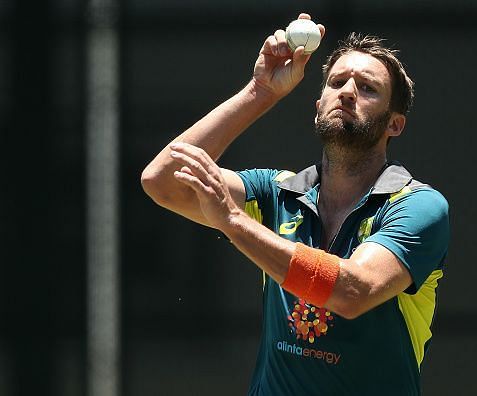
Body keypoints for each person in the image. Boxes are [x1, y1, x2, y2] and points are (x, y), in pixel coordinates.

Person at [141, 12, 449, 395]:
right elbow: (163, 182)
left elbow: (352, 293)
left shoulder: (419, 206)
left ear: (394, 124)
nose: (348, 92)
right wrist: (260, 92)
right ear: (318, 103)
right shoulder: (276, 191)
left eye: (368, 88)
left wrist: (234, 221)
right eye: (337, 82)